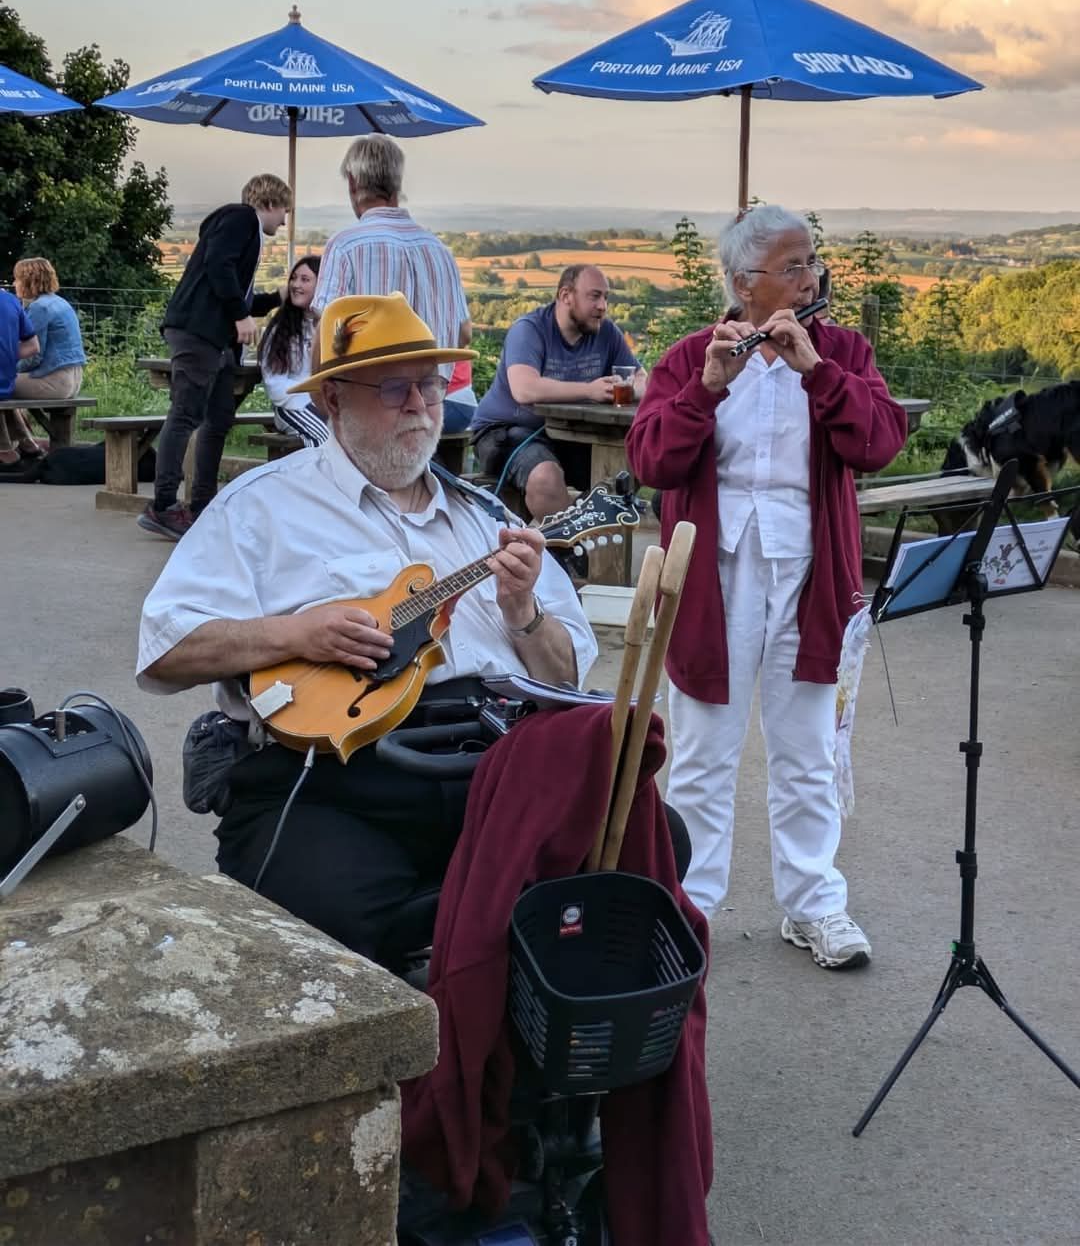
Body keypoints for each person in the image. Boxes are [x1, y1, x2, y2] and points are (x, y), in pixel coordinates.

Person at [136, 292, 596, 967]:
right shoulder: (262, 507)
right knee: (341, 916)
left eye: (430, 384)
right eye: (392, 386)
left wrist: (522, 611)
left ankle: (505, 1025)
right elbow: (164, 647)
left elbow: (569, 676)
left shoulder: (486, 517)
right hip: (330, 779)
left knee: (638, 845)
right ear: (330, 401)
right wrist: (296, 634)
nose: (420, 404)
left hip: (491, 769)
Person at [626, 204, 908, 971]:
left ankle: (815, 903)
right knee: (704, 752)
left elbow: (880, 441)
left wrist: (817, 372)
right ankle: (691, 907)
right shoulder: (692, 355)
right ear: (743, 283)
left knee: (807, 748)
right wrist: (707, 390)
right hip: (711, 577)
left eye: (811, 261)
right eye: (793, 266)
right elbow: (651, 459)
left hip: (813, 574)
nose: (811, 276)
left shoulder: (843, 349)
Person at [138, 173, 292, 542]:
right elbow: (219, 265)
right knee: (185, 414)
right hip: (198, 332)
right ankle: (163, 505)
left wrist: (273, 298)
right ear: (269, 203)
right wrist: (241, 316)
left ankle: (202, 504)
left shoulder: (240, 228)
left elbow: (233, 290)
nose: (285, 221)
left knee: (219, 417)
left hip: (215, 339)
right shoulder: (241, 218)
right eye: (285, 211)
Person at [312, 136, 476, 431]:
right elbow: (463, 334)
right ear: (397, 183)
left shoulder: (345, 246)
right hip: (431, 408)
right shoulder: (440, 251)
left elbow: (326, 336)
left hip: (370, 409)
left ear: (352, 182)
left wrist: (323, 404)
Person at [470, 265, 646, 522]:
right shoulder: (529, 329)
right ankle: (570, 552)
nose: (603, 306)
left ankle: (585, 532)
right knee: (545, 478)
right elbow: (524, 389)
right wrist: (590, 390)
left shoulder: (607, 333)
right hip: (505, 431)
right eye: (594, 296)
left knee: (633, 465)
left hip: (570, 435)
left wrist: (626, 388)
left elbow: (643, 380)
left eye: (606, 297)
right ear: (566, 296)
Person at [8, 257, 88, 458]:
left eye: (17, 279)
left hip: (54, 381)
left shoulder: (39, 308)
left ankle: (9, 448)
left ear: (28, 280)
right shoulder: (59, 302)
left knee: (2, 384)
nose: (14, 283)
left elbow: (33, 357)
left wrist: (7, 368)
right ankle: (25, 442)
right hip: (71, 379)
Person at [258, 254, 328, 448]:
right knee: (325, 440)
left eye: (305, 280)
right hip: (291, 405)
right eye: (294, 278)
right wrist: (309, 400)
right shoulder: (280, 330)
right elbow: (275, 385)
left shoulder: (332, 325)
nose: (296, 285)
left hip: (327, 405)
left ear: (321, 284)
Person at [0, 288, 40, 468]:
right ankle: (26, 441)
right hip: (5, 382)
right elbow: (33, 346)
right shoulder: (11, 300)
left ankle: (6, 453)